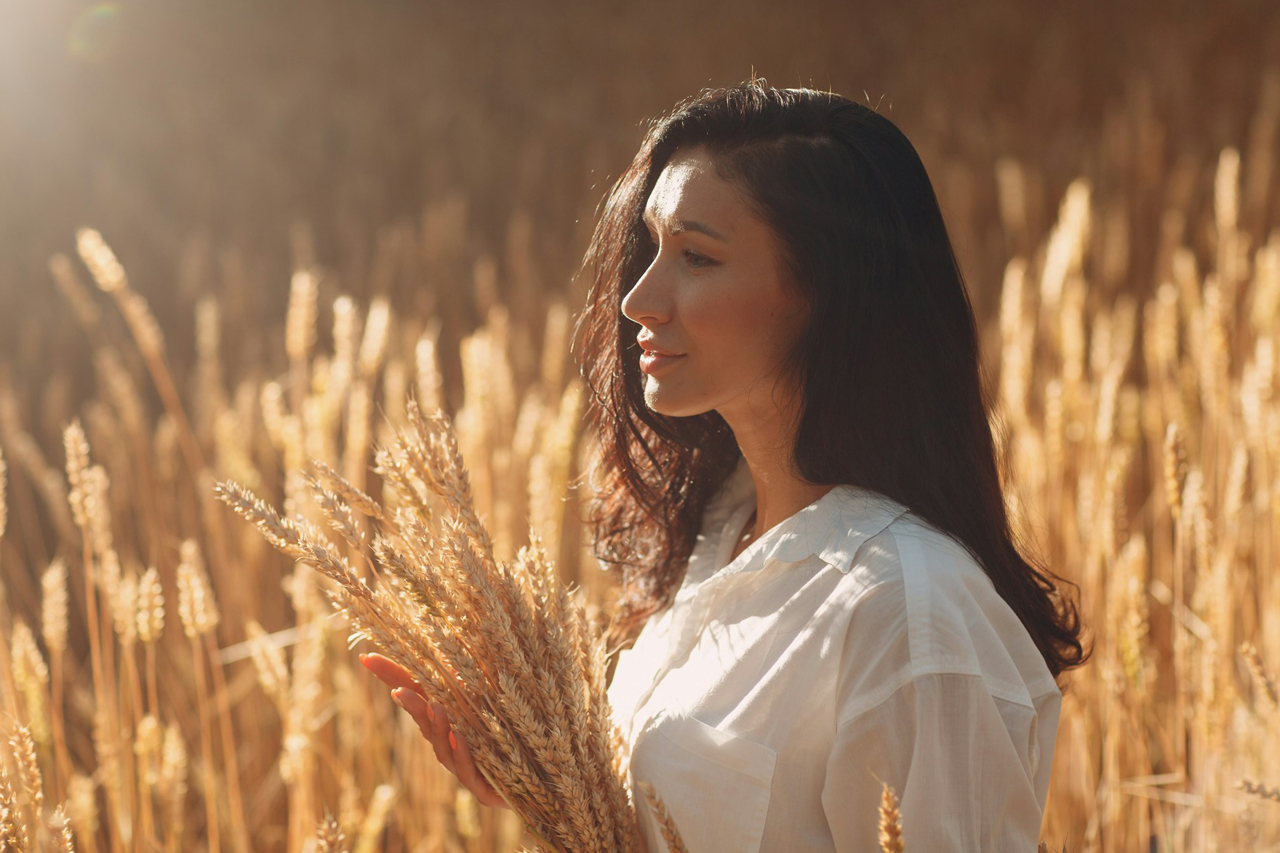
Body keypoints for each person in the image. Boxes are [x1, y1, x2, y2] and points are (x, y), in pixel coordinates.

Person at [364, 79, 1090, 851]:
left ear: (826, 294)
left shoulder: (908, 608)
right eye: (652, 248)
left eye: (698, 257)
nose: (638, 299)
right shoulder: (714, 534)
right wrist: (547, 785)